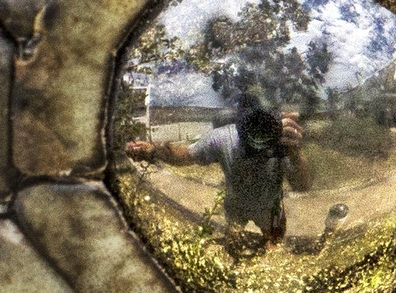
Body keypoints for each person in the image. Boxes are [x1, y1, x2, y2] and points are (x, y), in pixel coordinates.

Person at [126, 99, 310, 244]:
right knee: (233, 239)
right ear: (242, 121)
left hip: (270, 208)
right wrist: (153, 150)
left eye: (265, 122)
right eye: (253, 121)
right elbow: (185, 155)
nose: (257, 132)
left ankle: (267, 243)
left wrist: (295, 153)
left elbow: (303, 185)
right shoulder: (225, 137)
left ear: (274, 121)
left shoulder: (281, 142)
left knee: (274, 240)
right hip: (236, 205)